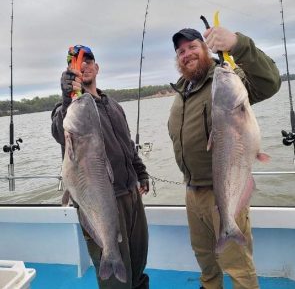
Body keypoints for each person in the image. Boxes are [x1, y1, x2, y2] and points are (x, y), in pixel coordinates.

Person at [168, 27, 281, 289]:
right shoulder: (182, 91)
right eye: (181, 51)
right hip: (192, 193)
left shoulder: (227, 78)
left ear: (205, 48)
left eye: (193, 46)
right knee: (206, 263)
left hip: (225, 190)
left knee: (237, 267)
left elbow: (269, 82)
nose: (187, 54)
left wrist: (238, 44)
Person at [51, 45, 149, 289]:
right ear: (69, 72)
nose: (82, 65)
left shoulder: (114, 106)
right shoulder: (68, 111)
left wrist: (141, 172)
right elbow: (58, 132)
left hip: (131, 196)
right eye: (74, 62)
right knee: (114, 278)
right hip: (99, 200)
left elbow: (128, 145)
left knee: (137, 264)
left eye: (88, 60)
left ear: (97, 67)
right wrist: (67, 98)